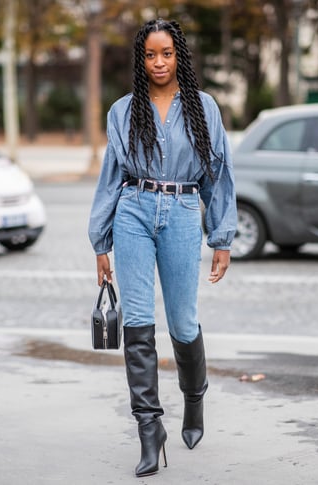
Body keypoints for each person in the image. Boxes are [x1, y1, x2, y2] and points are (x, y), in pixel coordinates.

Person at [88, 19, 237, 477]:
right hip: (133, 209)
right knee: (137, 322)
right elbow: (111, 177)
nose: (158, 62)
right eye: (150, 55)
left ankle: (194, 399)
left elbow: (217, 172)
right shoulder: (122, 111)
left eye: (166, 53)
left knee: (183, 321)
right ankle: (150, 430)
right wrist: (101, 242)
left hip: (181, 212)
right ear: (141, 58)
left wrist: (221, 237)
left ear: (179, 56)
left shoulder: (204, 108)